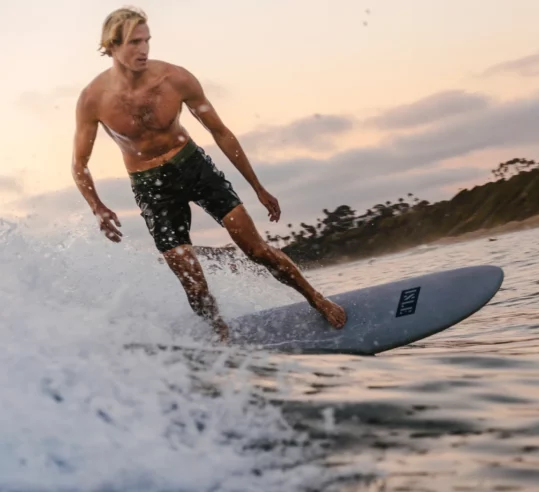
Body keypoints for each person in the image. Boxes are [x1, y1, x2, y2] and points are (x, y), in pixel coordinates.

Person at [71, 7, 347, 341]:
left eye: (146, 40)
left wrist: (257, 187)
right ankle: (221, 332)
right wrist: (97, 207)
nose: (143, 50)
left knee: (257, 249)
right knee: (192, 280)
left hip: (193, 166)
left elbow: (221, 132)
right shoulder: (93, 99)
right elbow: (79, 164)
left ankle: (317, 299)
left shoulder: (175, 78)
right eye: (133, 42)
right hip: (151, 187)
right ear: (112, 46)